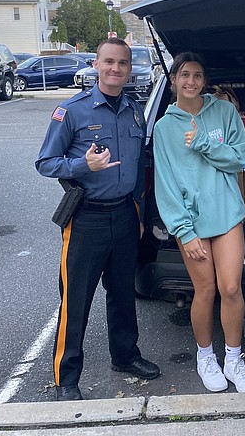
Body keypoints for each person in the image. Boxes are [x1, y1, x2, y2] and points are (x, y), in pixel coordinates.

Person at [36, 39, 160, 401]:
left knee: (123, 295)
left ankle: (125, 356)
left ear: (129, 68)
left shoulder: (135, 111)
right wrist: (81, 165)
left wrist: (137, 210)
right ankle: (66, 376)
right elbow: (45, 163)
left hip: (123, 215)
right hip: (86, 218)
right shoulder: (72, 111)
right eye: (109, 62)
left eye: (122, 63)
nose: (115, 69)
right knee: (76, 299)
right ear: (96, 64)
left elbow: (139, 166)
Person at [153, 52, 245, 393]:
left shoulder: (224, 113)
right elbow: (165, 185)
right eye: (184, 75)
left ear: (204, 81)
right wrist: (183, 230)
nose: (191, 81)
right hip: (191, 223)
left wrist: (202, 143)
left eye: (197, 75)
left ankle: (234, 358)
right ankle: (205, 356)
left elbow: (239, 157)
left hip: (227, 213)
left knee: (230, 288)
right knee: (206, 290)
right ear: (173, 80)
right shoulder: (164, 128)